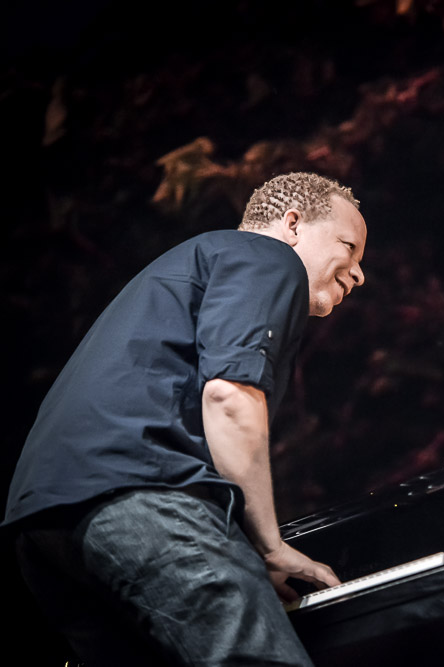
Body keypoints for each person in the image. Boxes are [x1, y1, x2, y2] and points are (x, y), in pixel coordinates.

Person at [3, 172, 366, 666]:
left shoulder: (189, 269)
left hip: (43, 525)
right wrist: (269, 546)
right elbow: (229, 398)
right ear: (293, 224)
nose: (360, 273)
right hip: (138, 498)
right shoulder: (267, 257)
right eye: (349, 246)